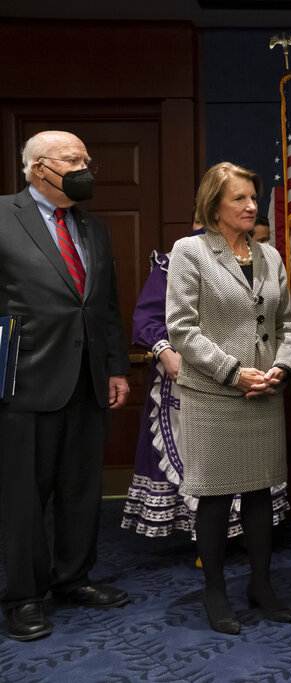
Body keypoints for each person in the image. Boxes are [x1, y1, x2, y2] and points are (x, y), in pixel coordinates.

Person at [0, 130, 132, 642]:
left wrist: (117, 366)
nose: (85, 167)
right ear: (37, 167)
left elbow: (106, 307)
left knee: (81, 490)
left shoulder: (93, 227)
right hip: (23, 381)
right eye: (73, 159)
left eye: (87, 158)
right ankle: (24, 596)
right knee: (25, 496)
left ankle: (72, 578)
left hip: (89, 380)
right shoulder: (3, 215)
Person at [167, 162, 291, 635]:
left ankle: (261, 586)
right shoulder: (191, 251)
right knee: (218, 498)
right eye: (238, 199)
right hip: (214, 396)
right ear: (214, 205)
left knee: (262, 492)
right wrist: (231, 373)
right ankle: (215, 591)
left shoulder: (270, 256)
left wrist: (281, 367)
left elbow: (287, 322)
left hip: (264, 393)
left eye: (252, 199)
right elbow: (181, 328)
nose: (249, 207)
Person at [122, 218, 289, 543]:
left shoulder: (263, 259)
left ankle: (246, 542)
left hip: (253, 377)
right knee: (204, 466)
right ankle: (209, 544)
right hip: (192, 376)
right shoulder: (182, 256)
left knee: (251, 469)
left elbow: (281, 320)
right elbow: (149, 318)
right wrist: (165, 352)